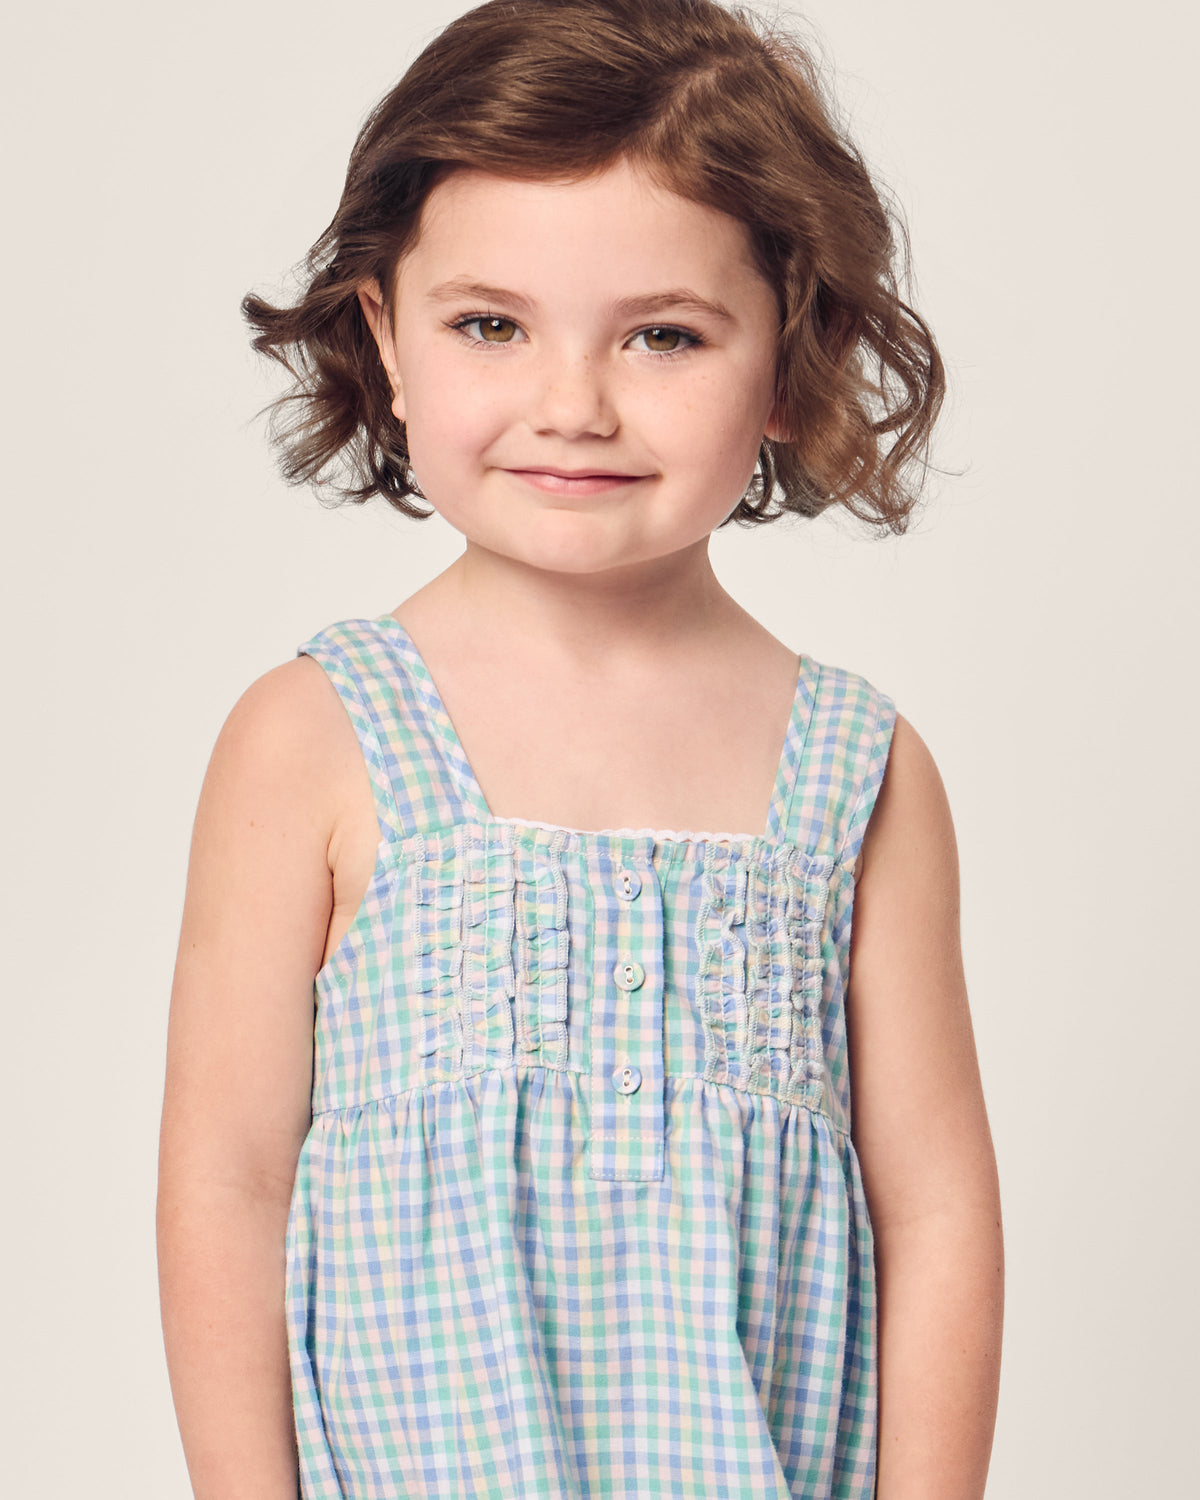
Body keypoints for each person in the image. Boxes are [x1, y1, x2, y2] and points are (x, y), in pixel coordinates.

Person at [156, 1, 1004, 1495]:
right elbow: (227, 1183)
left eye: (663, 336)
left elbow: (932, 1209)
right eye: (491, 324)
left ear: (790, 363)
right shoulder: (315, 738)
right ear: (389, 342)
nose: (573, 404)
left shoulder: (858, 770)